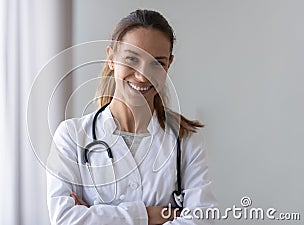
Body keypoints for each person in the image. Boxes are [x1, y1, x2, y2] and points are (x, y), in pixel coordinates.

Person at [46, 9, 216, 225]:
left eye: (157, 63)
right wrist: (148, 216)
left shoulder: (186, 140)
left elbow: (203, 219)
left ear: (169, 65)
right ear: (111, 58)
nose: (142, 75)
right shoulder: (72, 136)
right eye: (132, 59)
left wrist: (96, 215)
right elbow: (65, 219)